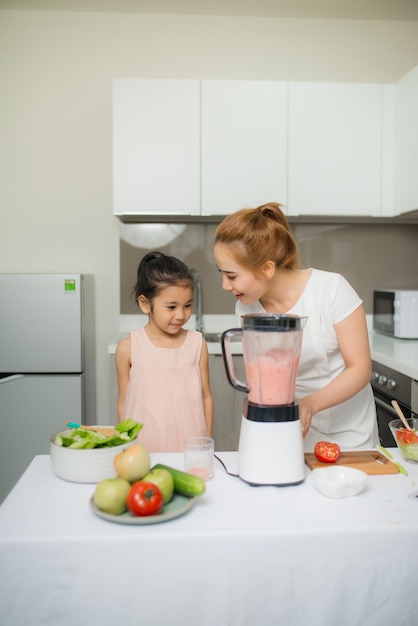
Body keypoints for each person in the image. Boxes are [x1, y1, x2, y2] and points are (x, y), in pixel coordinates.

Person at [213, 202, 377, 451]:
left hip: (352, 434)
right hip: (296, 429)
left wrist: (310, 404)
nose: (225, 285)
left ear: (267, 268)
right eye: (222, 274)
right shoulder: (245, 308)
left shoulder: (331, 289)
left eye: (232, 276)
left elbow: (361, 369)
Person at [116, 251, 213, 452]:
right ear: (145, 304)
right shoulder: (128, 347)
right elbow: (124, 401)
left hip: (190, 445)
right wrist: (126, 446)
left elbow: (206, 398)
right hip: (145, 446)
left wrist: (205, 444)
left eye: (187, 306)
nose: (181, 315)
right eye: (171, 307)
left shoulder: (197, 344)